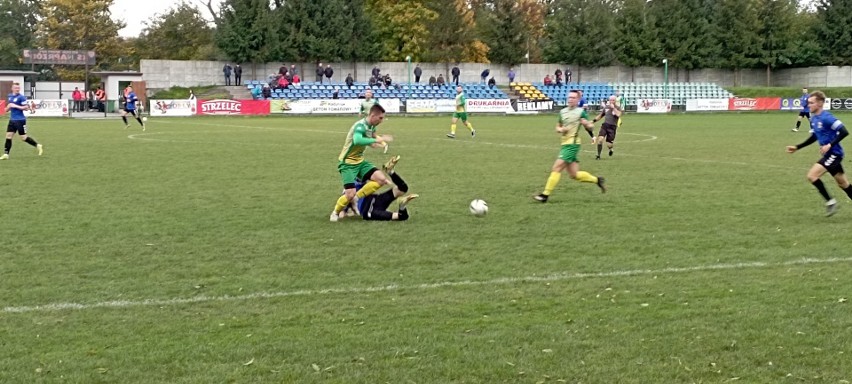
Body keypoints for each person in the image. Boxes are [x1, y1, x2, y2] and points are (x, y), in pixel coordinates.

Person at [786, 90, 852, 216]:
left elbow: (844, 131)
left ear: (820, 103)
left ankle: (830, 202)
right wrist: (797, 147)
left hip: (835, 154)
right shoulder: (814, 119)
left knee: (812, 175)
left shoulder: (827, 118)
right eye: (808, 103)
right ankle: (832, 201)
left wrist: (829, 145)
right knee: (843, 184)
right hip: (829, 155)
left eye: (811, 103)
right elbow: (814, 137)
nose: (808, 105)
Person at [533, 90, 606, 202]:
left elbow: (590, 126)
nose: (570, 99)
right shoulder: (562, 112)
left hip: (572, 144)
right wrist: (561, 129)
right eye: (569, 97)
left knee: (556, 167)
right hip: (564, 143)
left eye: (573, 97)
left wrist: (588, 124)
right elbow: (557, 127)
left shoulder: (581, 112)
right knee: (574, 175)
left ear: (577, 100)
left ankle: (545, 195)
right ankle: (597, 180)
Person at [330, 104, 394, 222]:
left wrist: (382, 144)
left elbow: (371, 141)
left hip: (359, 161)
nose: (382, 120)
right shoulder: (360, 126)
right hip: (347, 163)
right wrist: (378, 139)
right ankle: (335, 212)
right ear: (372, 115)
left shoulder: (371, 127)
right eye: (380, 118)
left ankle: (356, 198)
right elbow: (358, 140)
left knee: (381, 179)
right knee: (349, 194)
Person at [339, 157, 419, 221]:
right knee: (403, 188)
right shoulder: (359, 180)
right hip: (376, 200)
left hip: (369, 210)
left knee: (401, 216)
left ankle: (402, 205)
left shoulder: (349, 189)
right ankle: (390, 172)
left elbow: (342, 210)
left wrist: (342, 213)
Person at [1, 82, 43, 160]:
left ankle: (37, 145)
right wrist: (7, 108)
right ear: (12, 88)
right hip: (12, 120)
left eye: (18, 88)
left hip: (20, 120)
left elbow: (26, 107)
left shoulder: (21, 97)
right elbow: (7, 109)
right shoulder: (10, 96)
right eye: (16, 88)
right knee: (8, 136)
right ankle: (6, 154)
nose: (17, 89)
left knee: (23, 138)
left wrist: (14, 105)